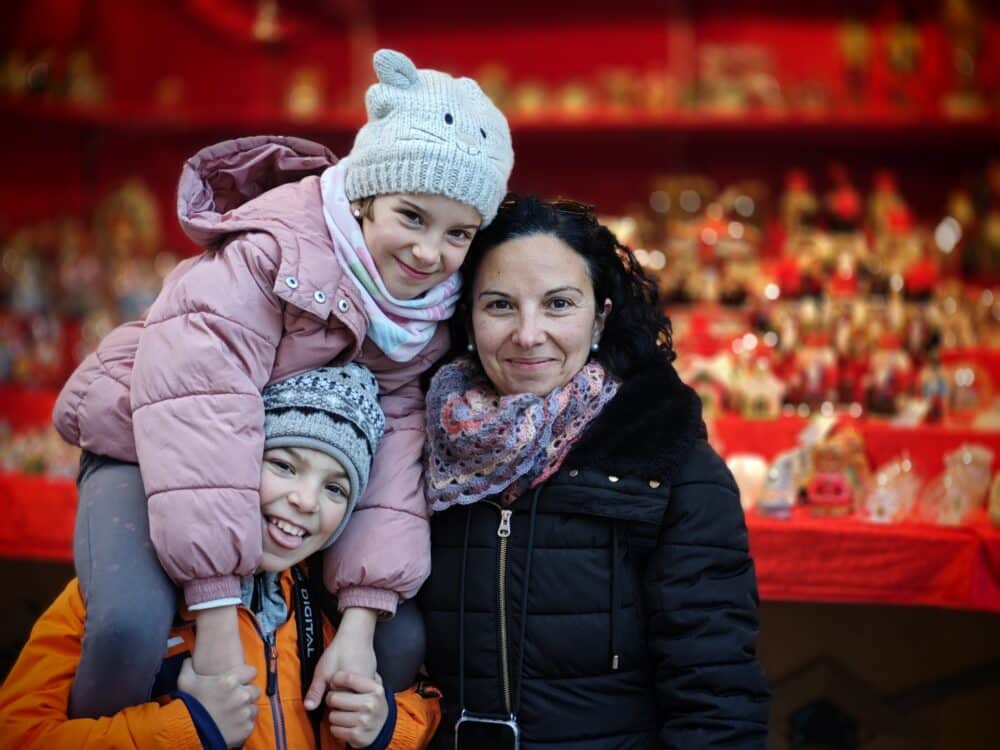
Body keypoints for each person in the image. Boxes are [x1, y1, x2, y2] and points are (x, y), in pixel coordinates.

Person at [50, 47, 513, 720]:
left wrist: (359, 624)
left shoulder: (422, 319)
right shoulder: (267, 259)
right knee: (130, 627)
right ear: (364, 196)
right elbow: (199, 413)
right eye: (411, 216)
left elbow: (390, 464)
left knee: (398, 639)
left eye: (458, 234)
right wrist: (215, 612)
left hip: (281, 478)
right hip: (142, 445)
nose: (428, 253)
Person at [419, 196, 770, 749]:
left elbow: (715, 696)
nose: (528, 334)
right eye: (500, 306)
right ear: (466, 317)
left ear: (601, 316)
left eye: (558, 304)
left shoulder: (670, 468)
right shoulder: (416, 446)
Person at [1, 364, 442, 750]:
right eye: (284, 465)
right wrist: (187, 729)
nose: (305, 500)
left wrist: (388, 728)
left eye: (335, 488)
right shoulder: (120, 595)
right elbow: (18, 735)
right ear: (238, 466)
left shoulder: (333, 610)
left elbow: (428, 702)